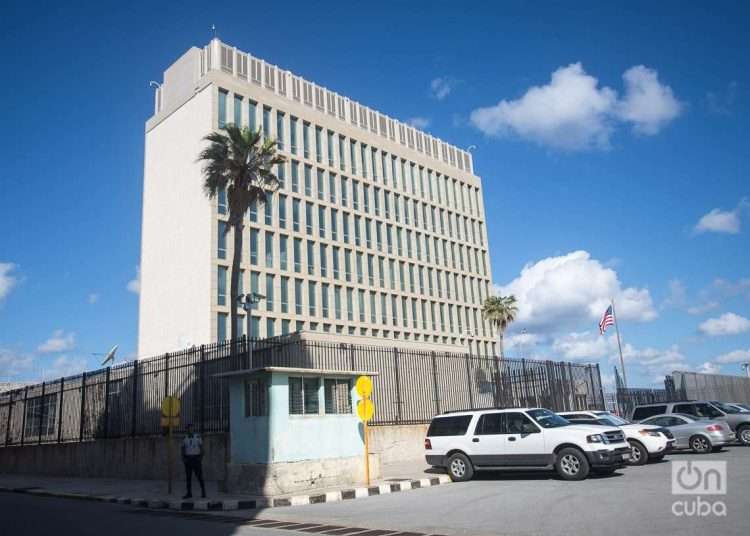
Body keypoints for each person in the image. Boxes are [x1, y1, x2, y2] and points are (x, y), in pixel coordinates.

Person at [181, 424, 206, 499]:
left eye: (191, 429)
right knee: (188, 477)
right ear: (187, 430)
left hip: (196, 459)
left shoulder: (197, 437)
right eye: (188, 429)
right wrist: (183, 458)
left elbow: (202, 448)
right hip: (188, 459)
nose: (190, 430)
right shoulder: (184, 438)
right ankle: (189, 493)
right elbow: (182, 449)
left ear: (193, 429)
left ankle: (203, 491)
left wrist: (200, 458)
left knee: (199, 476)